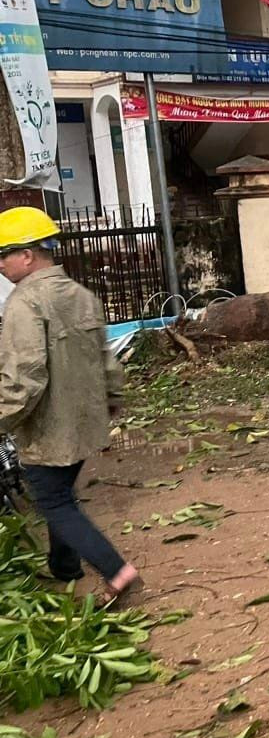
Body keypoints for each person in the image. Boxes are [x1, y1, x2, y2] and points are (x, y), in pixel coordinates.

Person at [0, 207, 140, 602]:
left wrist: (2, 417)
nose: (1, 264)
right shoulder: (81, 295)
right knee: (61, 493)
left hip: (49, 427)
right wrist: (112, 398)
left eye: (3, 255)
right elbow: (105, 357)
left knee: (53, 501)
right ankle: (64, 566)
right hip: (85, 421)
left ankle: (118, 572)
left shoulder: (24, 303)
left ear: (27, 255)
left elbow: (24, 378)